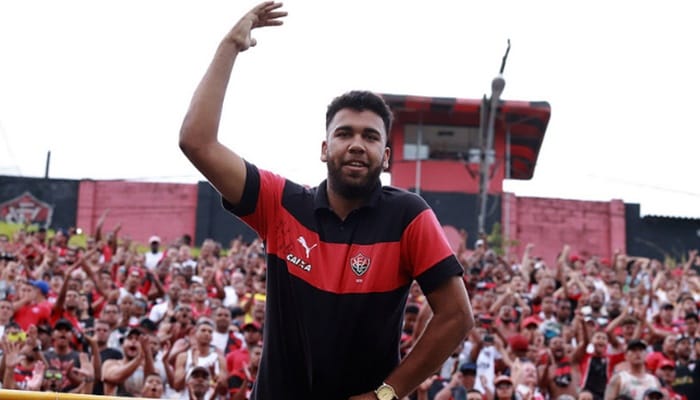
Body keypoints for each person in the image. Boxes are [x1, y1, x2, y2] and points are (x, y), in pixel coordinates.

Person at [177, 2, 474, 399]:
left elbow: (456, 315)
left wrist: (387, 394)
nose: (357, 144)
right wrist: (229, 45)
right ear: (324, 148)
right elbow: (197, 142)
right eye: (344, 133)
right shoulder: (280, 203)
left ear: (386, 156)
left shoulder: (409, 216)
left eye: (370, 136)